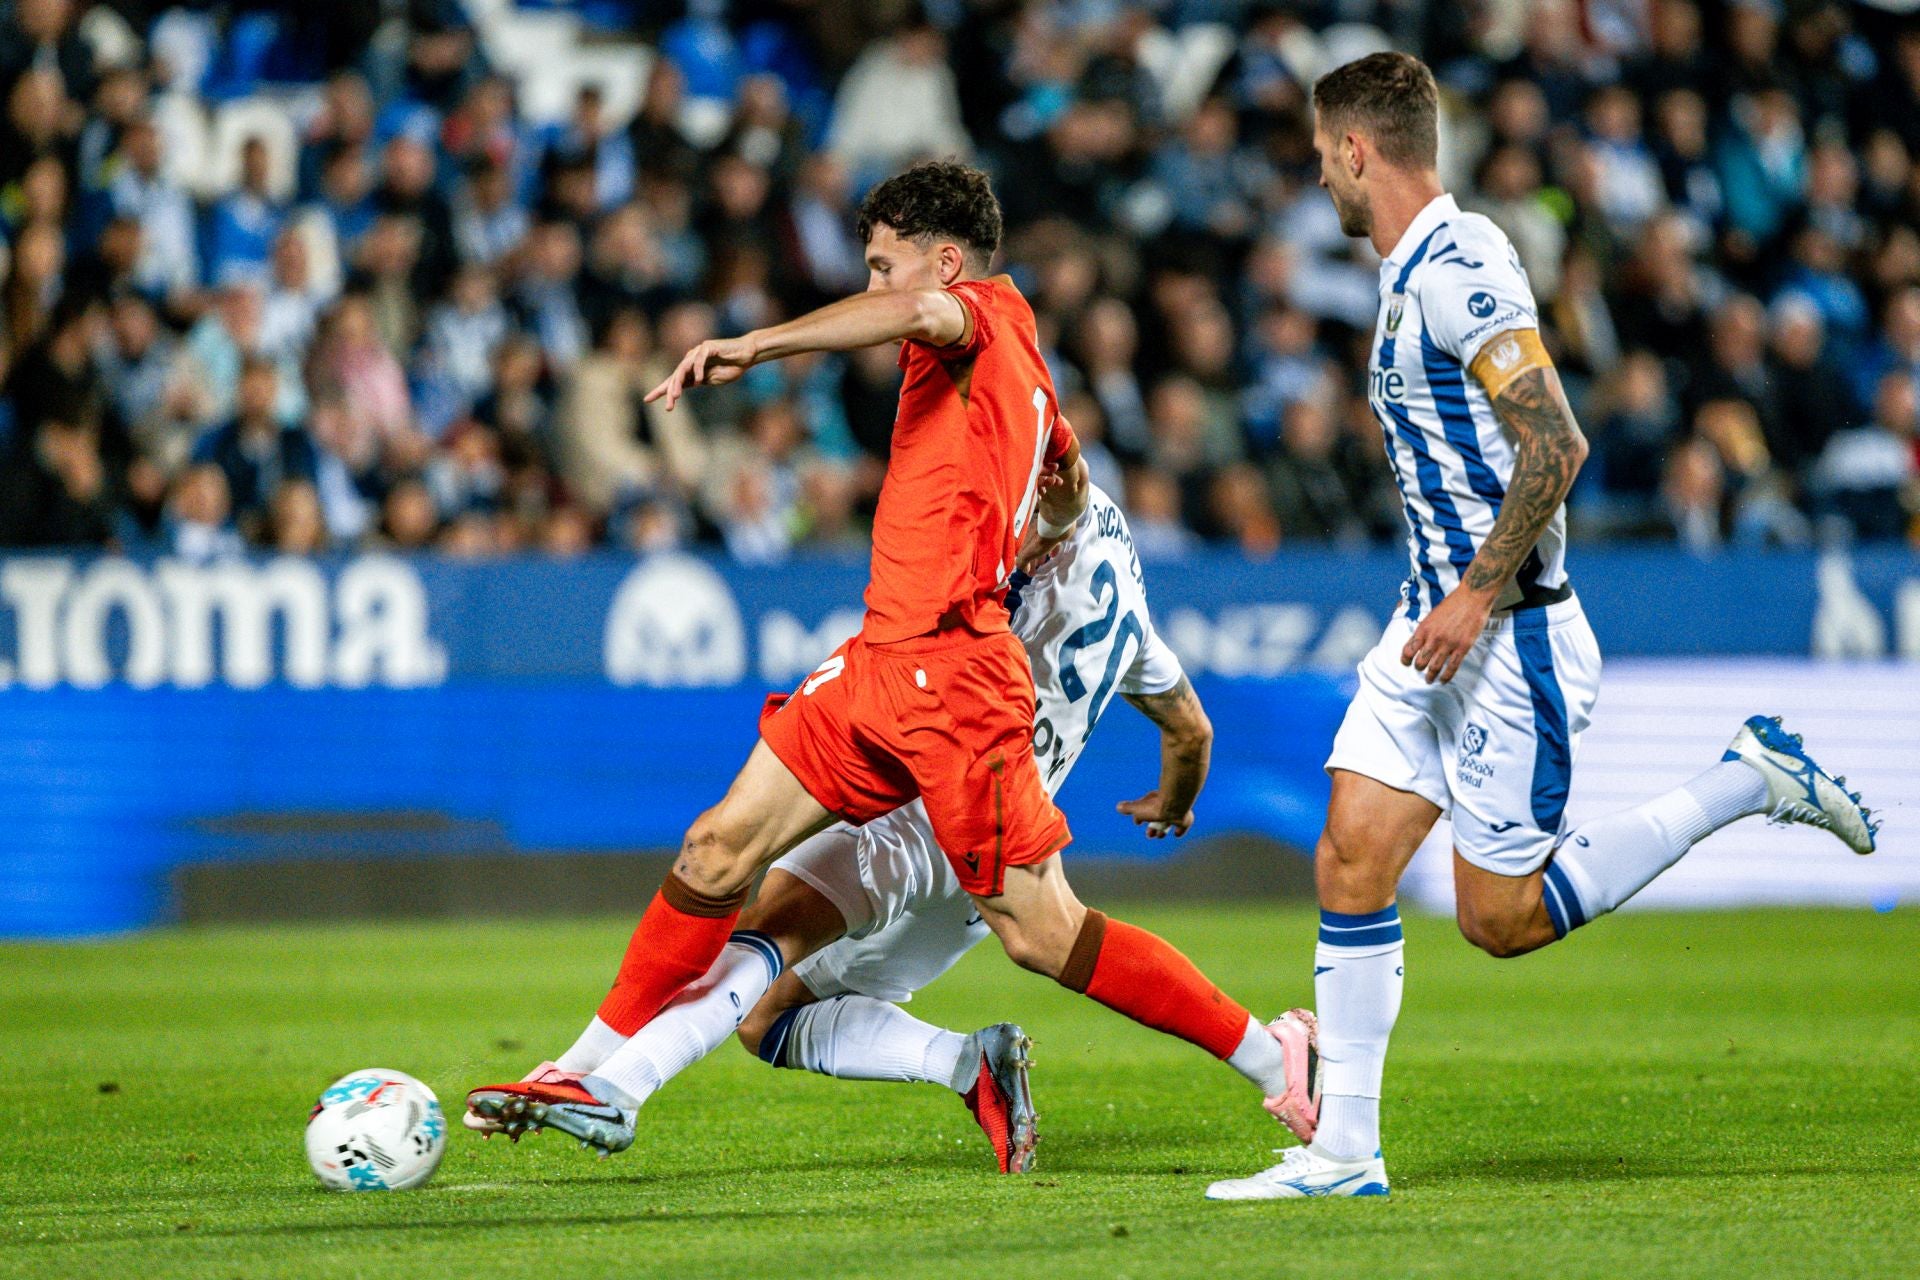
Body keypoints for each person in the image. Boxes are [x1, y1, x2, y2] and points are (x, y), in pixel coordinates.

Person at [465, 161, 1312, 1161]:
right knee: (717, 849)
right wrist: (1047, 512)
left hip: (958, 681)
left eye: (881, 268)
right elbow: (1075, 495)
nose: (874, 291)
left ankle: (1274, 1058)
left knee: (1040, 933)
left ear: (945, 265)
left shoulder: (979, 317)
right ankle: (582, 1067)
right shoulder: (1032, 387)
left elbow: (929, 319)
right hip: (878, 663)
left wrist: (756, 344)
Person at [1207, 52, 1878, 1203]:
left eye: (1324, 155)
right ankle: (1346, 1152)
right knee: (1352, 856)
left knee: (1500, 919)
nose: (1319, 176)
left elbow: (1556, 443)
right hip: (1430, 628)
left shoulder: (1457, 271)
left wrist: (1475, 591)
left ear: (1360, 150)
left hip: (1506, 635)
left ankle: (1747, 777)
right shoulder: (1418, 263)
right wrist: (1446, 599)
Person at [467, 482, 1215, 1173]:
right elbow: (1192, 732)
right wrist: (1173, 807)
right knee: (768, 1017)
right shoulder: (1125, 605)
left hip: (933, 798)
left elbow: (955, 605)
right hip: (996, 861)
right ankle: (971, 1065)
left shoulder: (1018, 537)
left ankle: (614, 1085)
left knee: (771, 927)